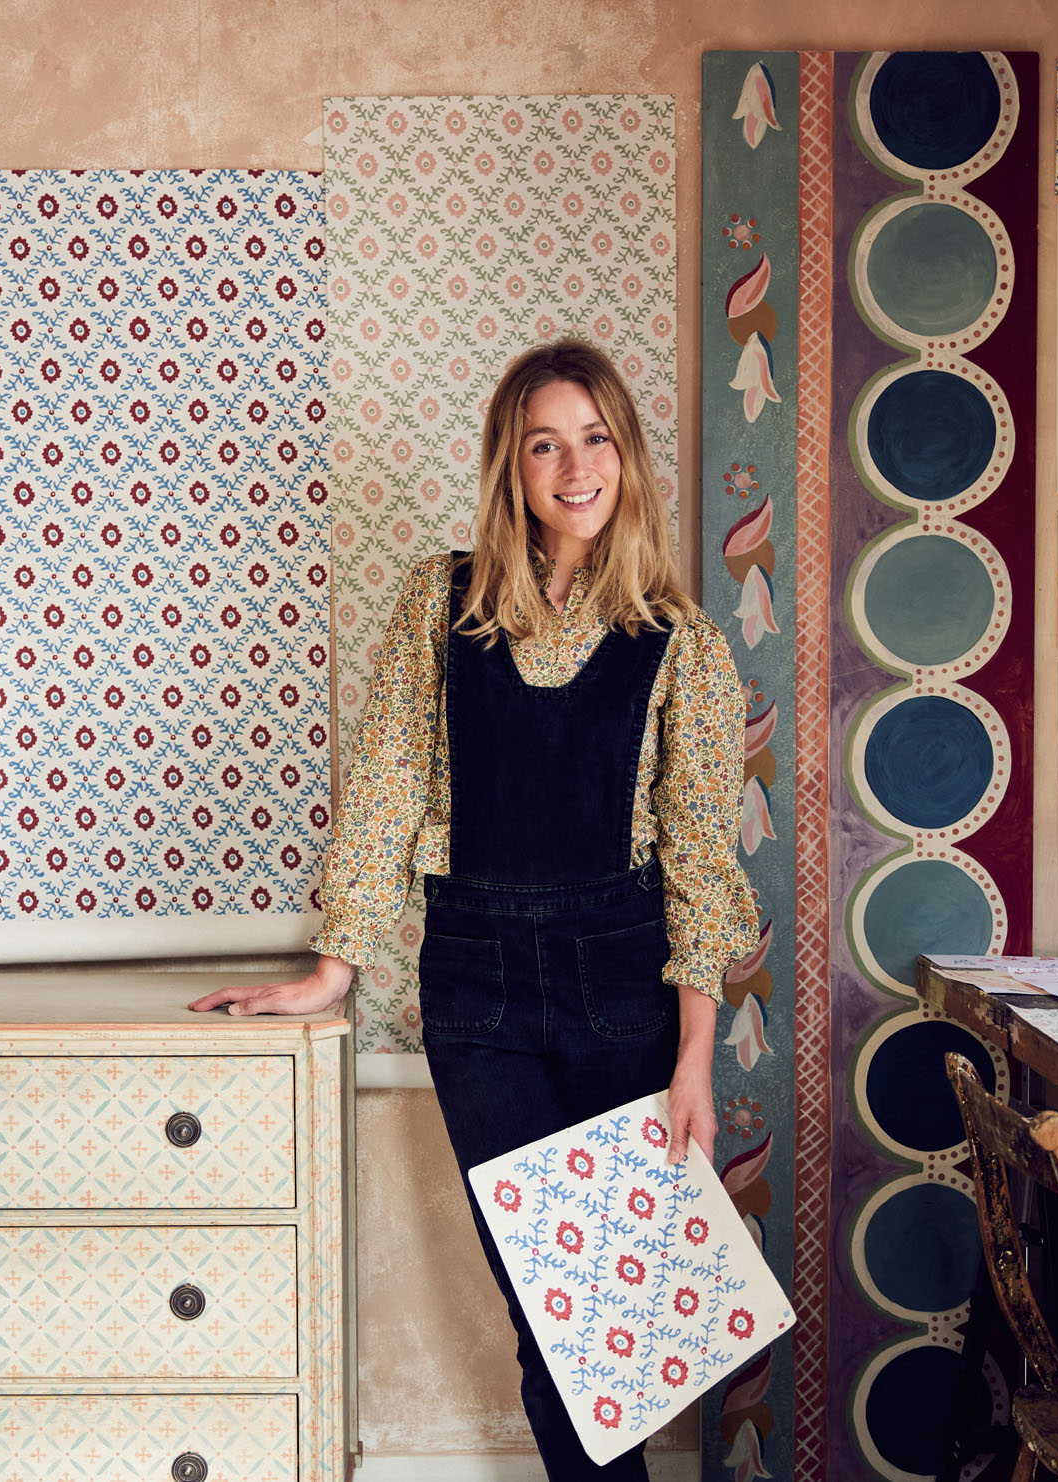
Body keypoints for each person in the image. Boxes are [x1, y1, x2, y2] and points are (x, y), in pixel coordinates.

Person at [190, 337, 756, 1480]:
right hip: (475, 992)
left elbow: (699, 858)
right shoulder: (437, 605)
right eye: (544, 443)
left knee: (615, 1318)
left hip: (620, 994)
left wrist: (694, 1060)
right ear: (511, 465)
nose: (572, 466)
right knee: (549, 1304)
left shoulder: (679, 645)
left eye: (593, 438)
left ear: (625, 457)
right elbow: (390, 779)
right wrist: (328, 970)